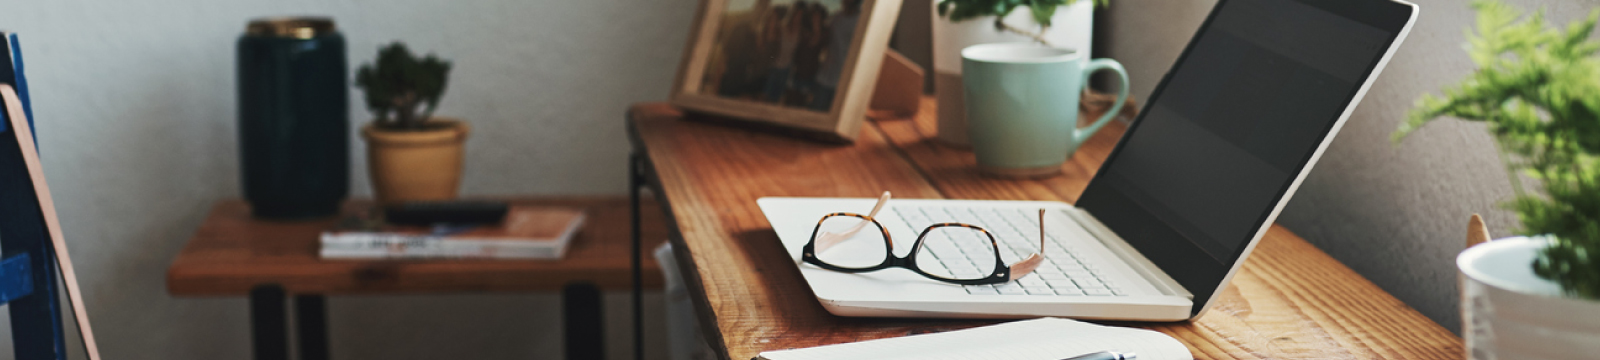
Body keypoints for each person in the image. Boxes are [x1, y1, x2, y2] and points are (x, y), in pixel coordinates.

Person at [814, 0, 861, 110]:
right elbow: (826, 40)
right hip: (825, 77)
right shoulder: (837, 17)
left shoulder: (859, 22)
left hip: (843, 82)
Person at [788, 3, 829, 109]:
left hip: (810, 77)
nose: (815, 19)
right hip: (797, 74)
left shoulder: (824, 35)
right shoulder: (805, 32)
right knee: (789, 102)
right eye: (813, 16)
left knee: (802, 106)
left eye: (817, 16)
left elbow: (824, 54)